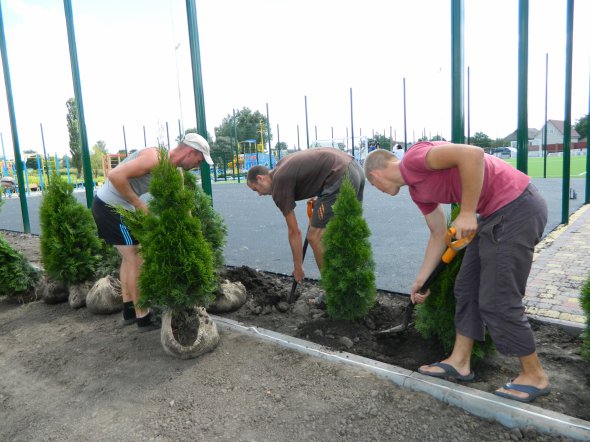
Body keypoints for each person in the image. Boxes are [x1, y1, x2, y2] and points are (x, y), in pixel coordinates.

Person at [363, 141, 551, 403]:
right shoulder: (418, 192)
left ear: (376, 175)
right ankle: (460, 361)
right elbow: (438, 233)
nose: (380, 191)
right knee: (466, 288)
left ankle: (535, 375)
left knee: (498, 298)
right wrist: (422, 279)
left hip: (516, 207)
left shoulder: (414, 158)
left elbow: (471, 154)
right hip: (491, 215)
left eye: (375, 187)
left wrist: (466, 212)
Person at [92, 133, 213, 331]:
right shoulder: (156, 158)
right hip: (110, 208)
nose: (198, 165)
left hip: (121, 208)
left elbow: (182, 203)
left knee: (128, 259)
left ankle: (129, 310)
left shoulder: (175, 172)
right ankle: (143, 317)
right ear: (191, 152)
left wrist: (192, 229)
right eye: (199, 160)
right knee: (137, 259)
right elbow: (114, 176)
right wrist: (138, 204)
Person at [246, 147, 365, 286]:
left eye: (256, 189)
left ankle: (332, 291)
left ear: (260, 178)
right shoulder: (281, 166)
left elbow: (294, 231)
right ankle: (352, 285)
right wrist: (320, 194)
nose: (259, 194)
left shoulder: (278, 185)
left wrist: (298, 267)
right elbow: (311, 168)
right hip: (354, 167)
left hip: (339, 174)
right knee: (345, 230)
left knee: (314, 237)